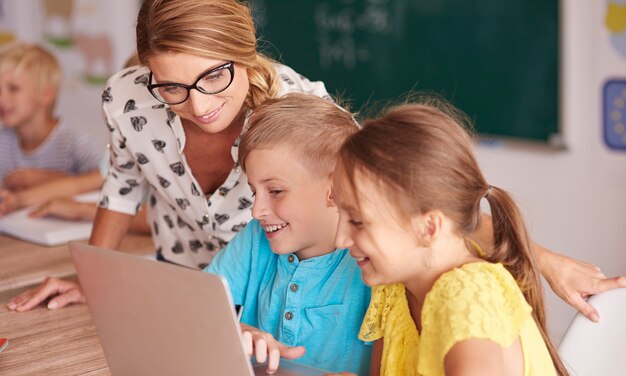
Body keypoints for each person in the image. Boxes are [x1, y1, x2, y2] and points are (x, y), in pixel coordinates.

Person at [7, 0, 624, 316]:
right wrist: (92, 273)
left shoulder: (301, 106)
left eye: (213, 79)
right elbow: (121, 185)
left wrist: (540, 258)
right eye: (171, 86)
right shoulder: (128, 97)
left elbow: (407, 195)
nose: (195, 106)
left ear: (246, 58)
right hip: (184, 281)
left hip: (284, 292)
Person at [294, 101, 585, 376]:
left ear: (429, 227)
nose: (341, 239)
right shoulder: (393, 289)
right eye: (342, 216)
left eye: (359, 222)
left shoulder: (469, 292)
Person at [205, 93, 371, 376]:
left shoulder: (370, 260)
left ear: (335, 189)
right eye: (255, 192)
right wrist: (237, 329)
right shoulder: (257, 239)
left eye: (276, 191)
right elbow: (197, 306)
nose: (257, 211)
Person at [0, 42, 104, 214]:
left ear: (45, 95)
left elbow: (103, 183)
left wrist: (39, 179)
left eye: (13, 89)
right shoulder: (3, 141)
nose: (2, 99)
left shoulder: (75, 141)